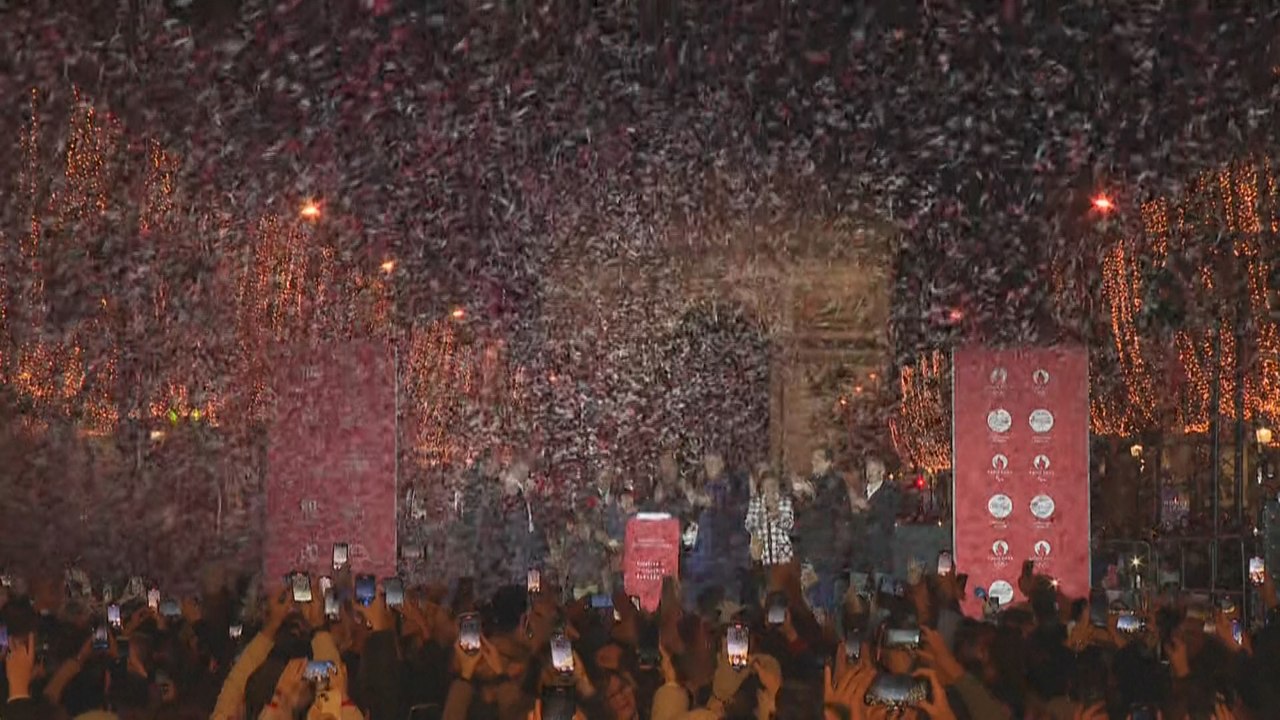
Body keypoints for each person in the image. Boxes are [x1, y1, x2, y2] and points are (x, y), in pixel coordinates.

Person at [792, 447, 852, 612]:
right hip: (810, 549)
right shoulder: (812, 481)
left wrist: (810, 492)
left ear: (829, 462)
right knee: (811, 596)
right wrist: (798, 496)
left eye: (818, 459)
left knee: (826, 596)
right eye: (813, 458)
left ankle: (827, 623)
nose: (813, 462)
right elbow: (801, 511)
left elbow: (824, 502)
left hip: (828, 550)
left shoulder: (835, 483)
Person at [852, 455, 899, 575]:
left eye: (873, 470)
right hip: (861, 554)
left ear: (881, 472)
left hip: (880, 551)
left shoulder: (889, 492)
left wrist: (867, 507)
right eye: (867, 470)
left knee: (881, 583)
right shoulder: (863, 491)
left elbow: (886, 515)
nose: (869, 473)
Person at [745, 465, 794, 568]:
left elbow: (789, 525)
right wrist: (760, 518)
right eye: (767, 486)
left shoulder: (785, 502)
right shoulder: (755, 503)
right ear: (761, 488)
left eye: (773, 485)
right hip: (763, 557)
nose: (770, 489)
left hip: (783, 557)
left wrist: (778, 516)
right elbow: (749, 525)